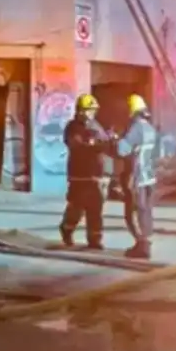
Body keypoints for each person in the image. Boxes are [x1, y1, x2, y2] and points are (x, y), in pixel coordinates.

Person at [59, 93, 113, 249]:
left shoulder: (96, 125)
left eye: (93, 110)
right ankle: (67, 229)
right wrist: (94, 144)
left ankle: (94, 240)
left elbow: (102, 142)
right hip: (79, 175)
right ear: (81, 111)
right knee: (77, 207)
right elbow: (77, 146)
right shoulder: (73, 128)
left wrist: (107, 140)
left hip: (96, 174)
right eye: (90, 110)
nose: (92, 113)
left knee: (95, 209)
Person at [116, 94, 158, 259]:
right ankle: (145, 241)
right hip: (149, 177)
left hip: (137, 178)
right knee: (146, 211)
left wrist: (116, 139)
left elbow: (122, 150)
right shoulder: (150, 128)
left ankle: (142, 246)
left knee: (133, 212)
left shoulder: (135, 128)